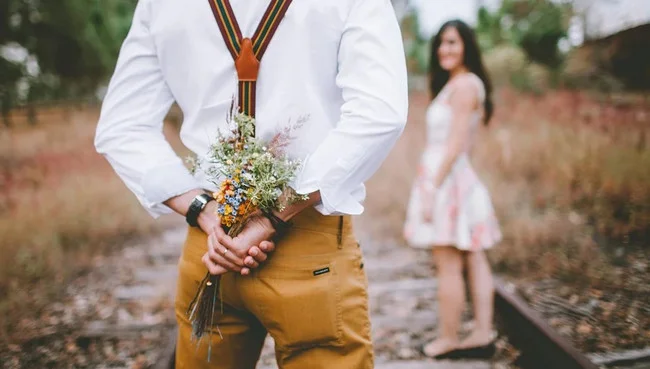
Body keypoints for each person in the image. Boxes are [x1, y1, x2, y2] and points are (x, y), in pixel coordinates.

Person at [94, 0, 408, 368]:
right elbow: (380, 113)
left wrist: (205, 210)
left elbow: (122, 127)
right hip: (307, 243)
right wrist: (272, 216)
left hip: (213, 249)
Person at [402, 19, 502, 360]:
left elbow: (457, 143)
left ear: (466, 47)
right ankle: (481, 332)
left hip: (446, 181)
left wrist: (432, 187)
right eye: (441, 44)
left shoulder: (464, 87)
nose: (445, 50)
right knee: (473, 256)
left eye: (452, 43)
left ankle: (448, 338)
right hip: (455, 177)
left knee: (448, 262)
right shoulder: (461, 84)